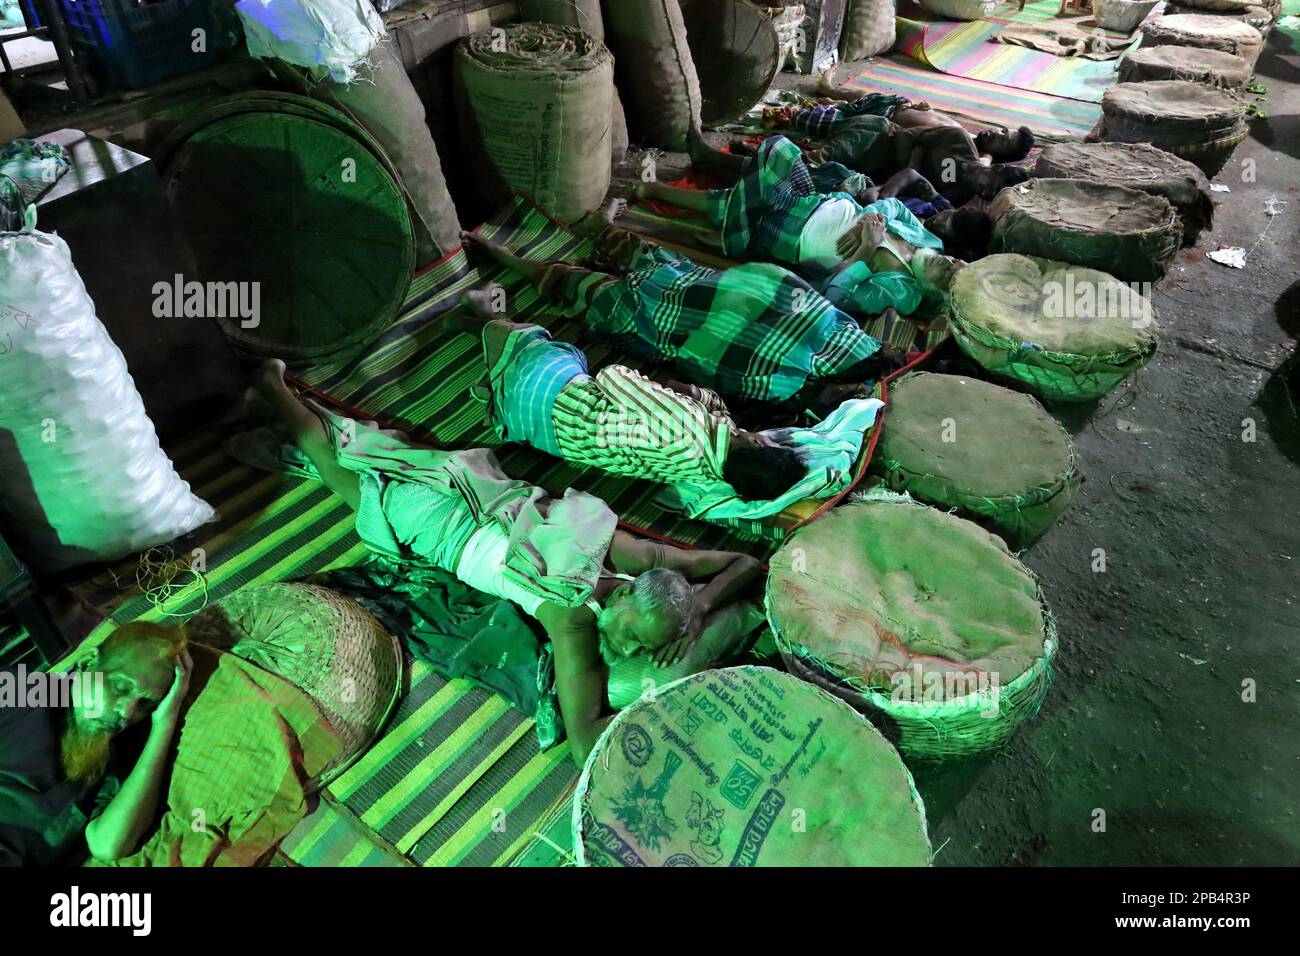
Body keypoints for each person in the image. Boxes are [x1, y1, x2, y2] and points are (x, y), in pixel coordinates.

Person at [246, 359, 763, 763]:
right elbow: (584, 743)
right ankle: (273, 387)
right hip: (433, 520)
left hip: (474, 490)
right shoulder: (573, 619)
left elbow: (743, 563)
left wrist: (701, 605)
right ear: (627, 592)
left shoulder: (638, 556)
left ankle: (275, 397)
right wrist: (683, 695)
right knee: (338, 468)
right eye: (632, 635)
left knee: (368, 454)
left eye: (639, 647)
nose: (623, 648)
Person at [458, 203, 909, 417]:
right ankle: (602, 230)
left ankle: (506, 257)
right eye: (854, 393)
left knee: (578, 285)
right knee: (635, 258)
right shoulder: (843, 338)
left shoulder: (787, 389)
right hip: (691, 287)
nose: (846, 396)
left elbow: (703, 368)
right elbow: (785, 291)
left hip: (656, 317)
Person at [445, 288, 809, 503]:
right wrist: (698, 394)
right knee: (562, 361)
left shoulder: (685, 426)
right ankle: (495, 353)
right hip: (540, 435)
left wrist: (669, 391)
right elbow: (720, 417)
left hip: (551, 402)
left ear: (760, 445)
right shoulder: (714, 472)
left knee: (564, 352)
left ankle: (478, 321)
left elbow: (613, 377)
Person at [634, 132, 950, 316]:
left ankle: (663, 191)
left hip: (792, 235)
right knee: (780, 146)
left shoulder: (904, 293)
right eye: (955, 260)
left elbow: (836, 297)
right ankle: (733, 235)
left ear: (938, 294)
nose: (947, 260)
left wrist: (867, 248)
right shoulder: (930, 243)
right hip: (813, 200)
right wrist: (869, 219)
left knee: (759, 183)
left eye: (947, 272)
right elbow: (894, 205)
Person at [0, 623, 191, 865]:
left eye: (145, 704)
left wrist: (165, 722)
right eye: (121, 687)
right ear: (87, 663)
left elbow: (108, 845)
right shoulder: (21, 690)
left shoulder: (121, 757)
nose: (127, 711)